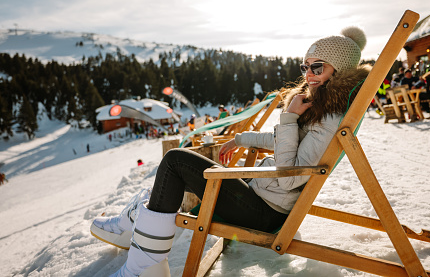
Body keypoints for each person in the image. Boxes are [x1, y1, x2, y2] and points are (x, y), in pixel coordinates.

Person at [90, 26, 370, 277]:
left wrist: (288, 118)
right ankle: (136, 230)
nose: (308, 74)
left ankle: (143, 262)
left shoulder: (329, 116)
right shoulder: (323, 105)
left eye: (317, 67)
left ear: (340, 69)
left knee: (176, 161)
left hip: (265, 211)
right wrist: (242, 139)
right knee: (183, 166)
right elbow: (289, 143)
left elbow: (288, 176)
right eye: (305, 66)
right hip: (261, 194)